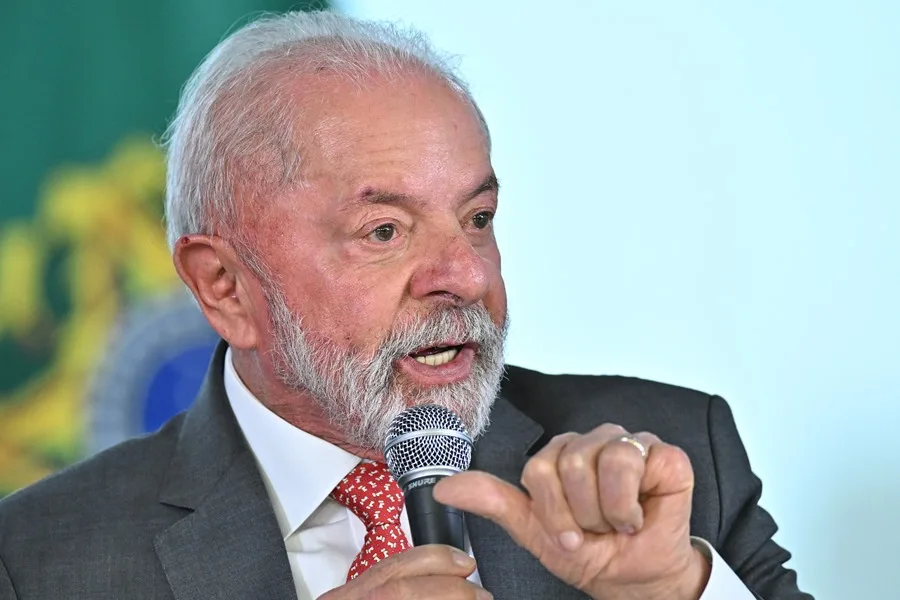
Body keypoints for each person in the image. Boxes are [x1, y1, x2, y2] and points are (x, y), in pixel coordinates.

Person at [0, 10, 813, 600]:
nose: (465, 274)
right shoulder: (41, 561)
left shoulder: (672, 468)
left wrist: (676, 592)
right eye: (384, 231)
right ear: (225, 286)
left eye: (477, 219)